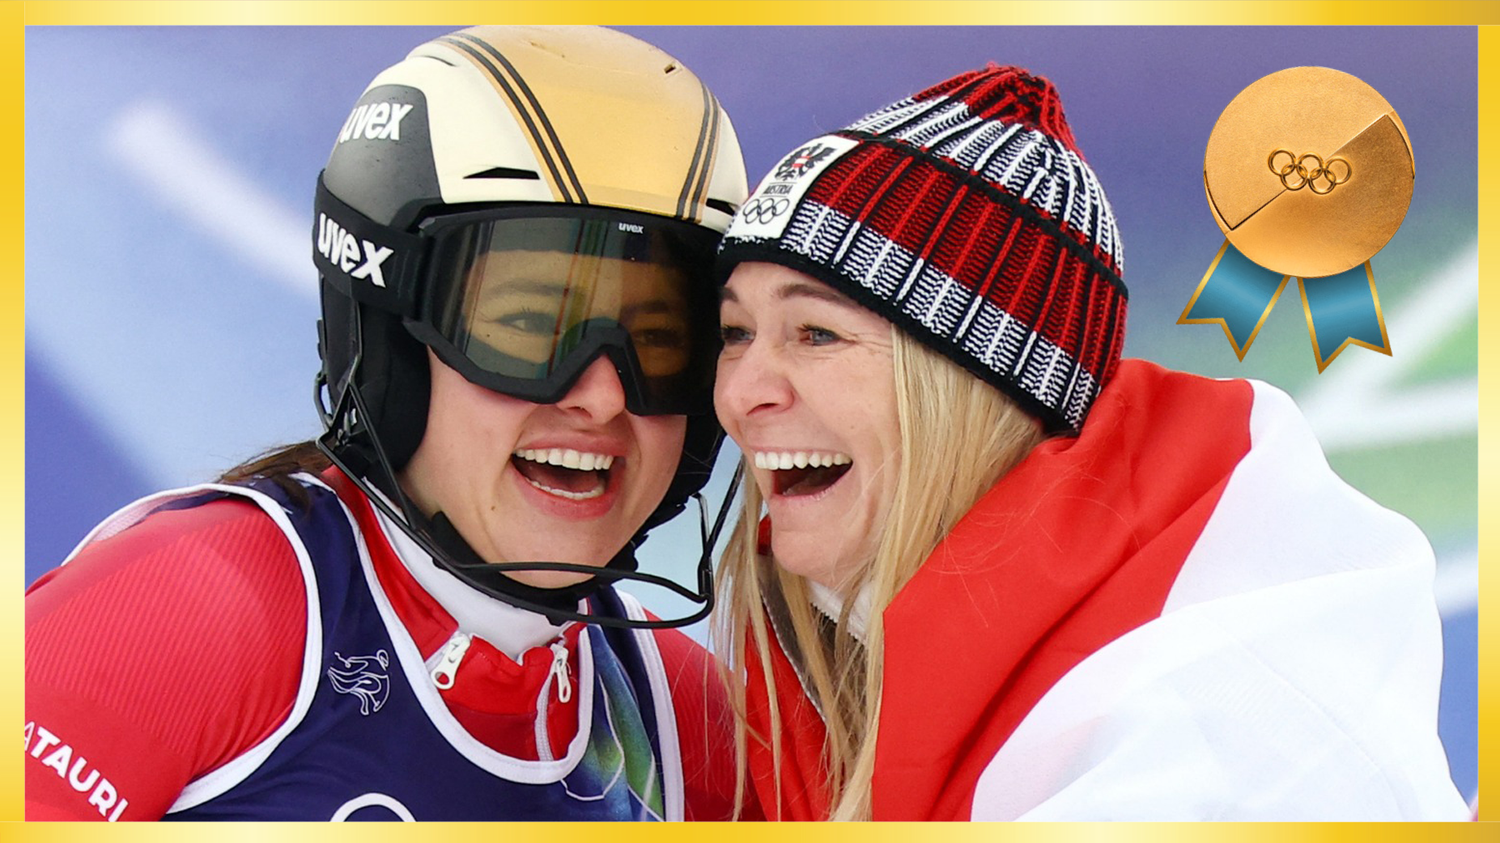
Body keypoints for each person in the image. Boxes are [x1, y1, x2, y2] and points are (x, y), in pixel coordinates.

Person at [25, 25, 753, 821]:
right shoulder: (194, 606)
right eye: (531, 327)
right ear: (385, 348)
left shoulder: (690, 726)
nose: (604, 396)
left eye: (660, 340)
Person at [710, 65, 1469, 821]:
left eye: (817, 333)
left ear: (979, 391)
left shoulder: (1203, 751)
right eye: (735, 333)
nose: (741, 394)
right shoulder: (831, 653)